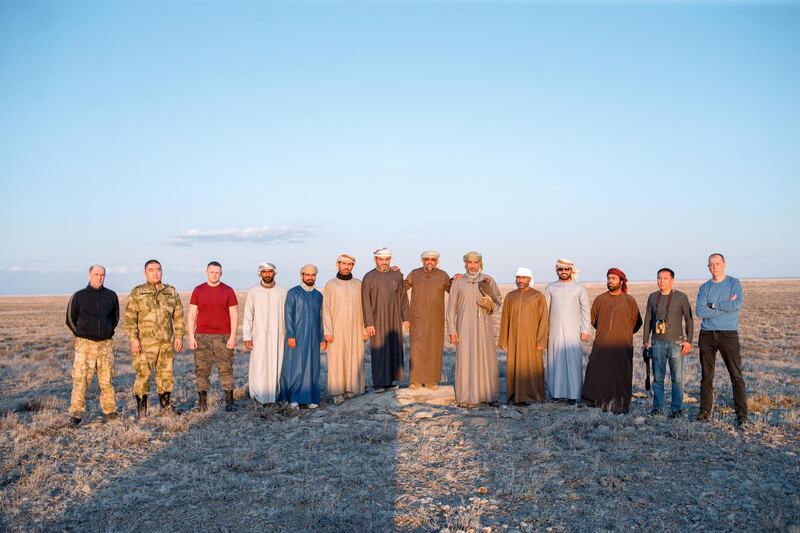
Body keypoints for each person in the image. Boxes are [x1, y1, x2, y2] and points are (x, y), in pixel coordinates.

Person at [124, 259, 185, 418]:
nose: (155, 272)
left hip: (166, 343)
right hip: (145, 344)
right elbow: (130, 317)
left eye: (158, 269)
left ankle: (165, 407)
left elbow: (178, 316)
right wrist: (133, 339)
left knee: (166, 376)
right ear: (145, 273)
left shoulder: (170, 291)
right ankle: (142, 412)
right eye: (151, 270)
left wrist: (178, 336)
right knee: (143, 376)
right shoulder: (138, 292)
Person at [695, 253, 748, 426]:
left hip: (728, 334)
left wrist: (714, 305)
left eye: (717, 263)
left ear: (724, 264)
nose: (714, 267)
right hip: (707, 335)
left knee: (736, 376)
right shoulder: (704, 288)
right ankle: (704, 411)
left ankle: (741, 415)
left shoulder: (734, 283)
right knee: (707, 376)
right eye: (711, 264)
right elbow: (700, 312)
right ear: (708, 267)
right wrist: (725, 306)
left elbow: (737, 305)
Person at [582, 268, 642, 414]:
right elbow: (594, 320)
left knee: (620, 374)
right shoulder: (600, 299)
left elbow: (636, 323)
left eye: (614, 278)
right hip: (602, 343)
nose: (610, 281)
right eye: (608, 278)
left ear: (621, 281)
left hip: (622, 345)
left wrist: (622, 333)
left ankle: (619, 405)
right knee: (596, 370)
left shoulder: (629, 301)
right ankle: (595, 402)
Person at [65, 265, 120, 426]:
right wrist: (82, 334)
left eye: (102, 275)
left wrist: (106, 331)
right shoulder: (79, 296)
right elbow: (70, 319)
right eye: (96, 274)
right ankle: (76, 413)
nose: (99, 277)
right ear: (89, 275)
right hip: (85, 345)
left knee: (107, 380)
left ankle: (110, 411)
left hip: (106, 345)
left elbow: (115, 318)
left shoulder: (111, 295)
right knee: (81, 379)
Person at [446, 251, 501, 407]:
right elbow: (451, 308)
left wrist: (488, 304)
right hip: (463, 328)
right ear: (465, 264)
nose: (472, 265)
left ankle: (489, 396)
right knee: (465, 359)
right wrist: (452, 329)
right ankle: (466, 398)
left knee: (486, 359)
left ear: (480, 263)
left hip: (484, 327)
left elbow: (498, 302)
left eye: (475, 262)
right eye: (469, 262)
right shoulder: (458, 282)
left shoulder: (488, 280)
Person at [187, 261, 239, 413]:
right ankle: (202, 403)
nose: (214, 275)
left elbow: (234, 315)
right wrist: (191, 336)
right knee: (202, 370)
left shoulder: (228, 290)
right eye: (212, 272)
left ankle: (229, 402)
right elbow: (191, 315)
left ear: (221, 274)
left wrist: (233, 337)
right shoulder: (198, 290)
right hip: (202, 336)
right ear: (206, 272)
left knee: (226, 369)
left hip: (223, 337)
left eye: (217, 272)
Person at [642, 268, 693, 418]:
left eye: (665, 278)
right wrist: (646, 340)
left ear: (672, 280)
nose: (661, 281)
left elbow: (689, 320)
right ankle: (658, 407)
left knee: (677, 378)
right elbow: (648, 320)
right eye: (659, 278)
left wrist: (688, 341)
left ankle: (676, 409)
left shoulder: (681, 297)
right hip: (657, 343)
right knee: (658, 378)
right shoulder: (652, 297)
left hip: (676, 343)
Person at [361, 247, 409, 392]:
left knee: (393, 348)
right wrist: (369, 323)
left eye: (386, 259)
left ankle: (391, 381)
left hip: (394, 318)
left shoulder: (397, 276)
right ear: (375, 259)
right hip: (377, 319)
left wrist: (405, 318)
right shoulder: (369, 277)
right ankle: (379, 384)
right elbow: (365, 302)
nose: (384, 262)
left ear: (390, 260)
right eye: (381, 259)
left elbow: (403, 298)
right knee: (379, 349)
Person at [498, 267, 549, 404]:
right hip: (514, 340)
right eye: (518, 278)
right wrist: (503, 339)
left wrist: (541, 341)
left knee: (532, 367)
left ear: (530, 279)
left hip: (532, 340)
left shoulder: (538, 296)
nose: (520, 280)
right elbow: (505, 319)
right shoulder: (510, 296)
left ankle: (533, 396)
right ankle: (515, 397)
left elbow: (544, 320)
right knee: (515, 367)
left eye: (523, 278)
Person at [543, 259, 591, 404]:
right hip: (554, 331)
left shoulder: (579, 288)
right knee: (555, 361)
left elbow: (585, 310)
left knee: (573, 361)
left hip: (574, 331)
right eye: (560, 269)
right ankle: (556, 394)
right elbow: (545, 311)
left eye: (566, 269)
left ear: (571, 270)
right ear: (557, 271)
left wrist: (585, 330)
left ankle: (573, 395)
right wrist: (544, 332)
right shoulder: (550, 288)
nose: (563, 272)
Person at [323, 254, 368, 404]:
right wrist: (328, 330)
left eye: (349, 264)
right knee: (336, 359)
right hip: (336, 328)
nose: (346, 267)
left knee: (354, 358)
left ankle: (351, 389)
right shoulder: (330, 285)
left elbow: (364, 307)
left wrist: (364, 328)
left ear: (353, 266)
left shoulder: (358, 284)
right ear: (338, 264)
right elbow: (326, 309)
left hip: (355, 327)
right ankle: (337, 392)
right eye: (343, 264)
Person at [280, 264, 326, 409]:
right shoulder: (293, 293)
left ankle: (311, 398)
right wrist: (291, 335)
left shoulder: (318, 295)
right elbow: (288, 316)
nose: (310, 278)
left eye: (313, 275)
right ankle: (294, 398)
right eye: (307, 275)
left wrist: (322, 338)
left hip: (313, 337)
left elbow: (321, 319)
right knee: (296, 366)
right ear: (302, 275)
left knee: (312, 367)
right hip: (297, 336)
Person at [404, 250, 451, 390]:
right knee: (417, 349)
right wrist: (395, 274)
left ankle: (432, 381)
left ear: (436, 261)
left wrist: (458, 279)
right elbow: (402, 287)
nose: (429, 262)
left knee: (434, 348)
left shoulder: (442, 275)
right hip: (417, 318)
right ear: (422, 261)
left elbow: (453, 290)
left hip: (436, 319)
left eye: (432, 259)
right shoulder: (414, 274)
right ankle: (415, 380)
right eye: (426, 259)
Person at [243, 262, 287, 407]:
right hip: (259, 335)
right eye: (264, 272)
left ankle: (274, 395)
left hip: (278, 335)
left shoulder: (282, 291)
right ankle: (258, 395)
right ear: (260, 273)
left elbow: (287, 315)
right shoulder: (253, 292)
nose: (267, 274)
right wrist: (247, 336)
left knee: (276, 362)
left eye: (270, 272)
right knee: (259, 364)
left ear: (275, 273)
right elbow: (248, 315)